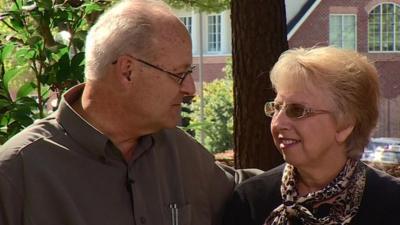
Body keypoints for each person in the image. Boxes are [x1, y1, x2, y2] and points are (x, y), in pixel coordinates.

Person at [0, 1, 260, 224]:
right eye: (179, 74)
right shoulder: (17, 173)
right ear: (127, 71)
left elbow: (253, 194)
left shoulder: (179, 152)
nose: (190, 90)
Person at [222, 46, 400, 225]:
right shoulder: (251, 200)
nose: (278, 123)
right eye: (276, 107)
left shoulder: (391, 202)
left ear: (344, 125)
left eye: (297, 110)